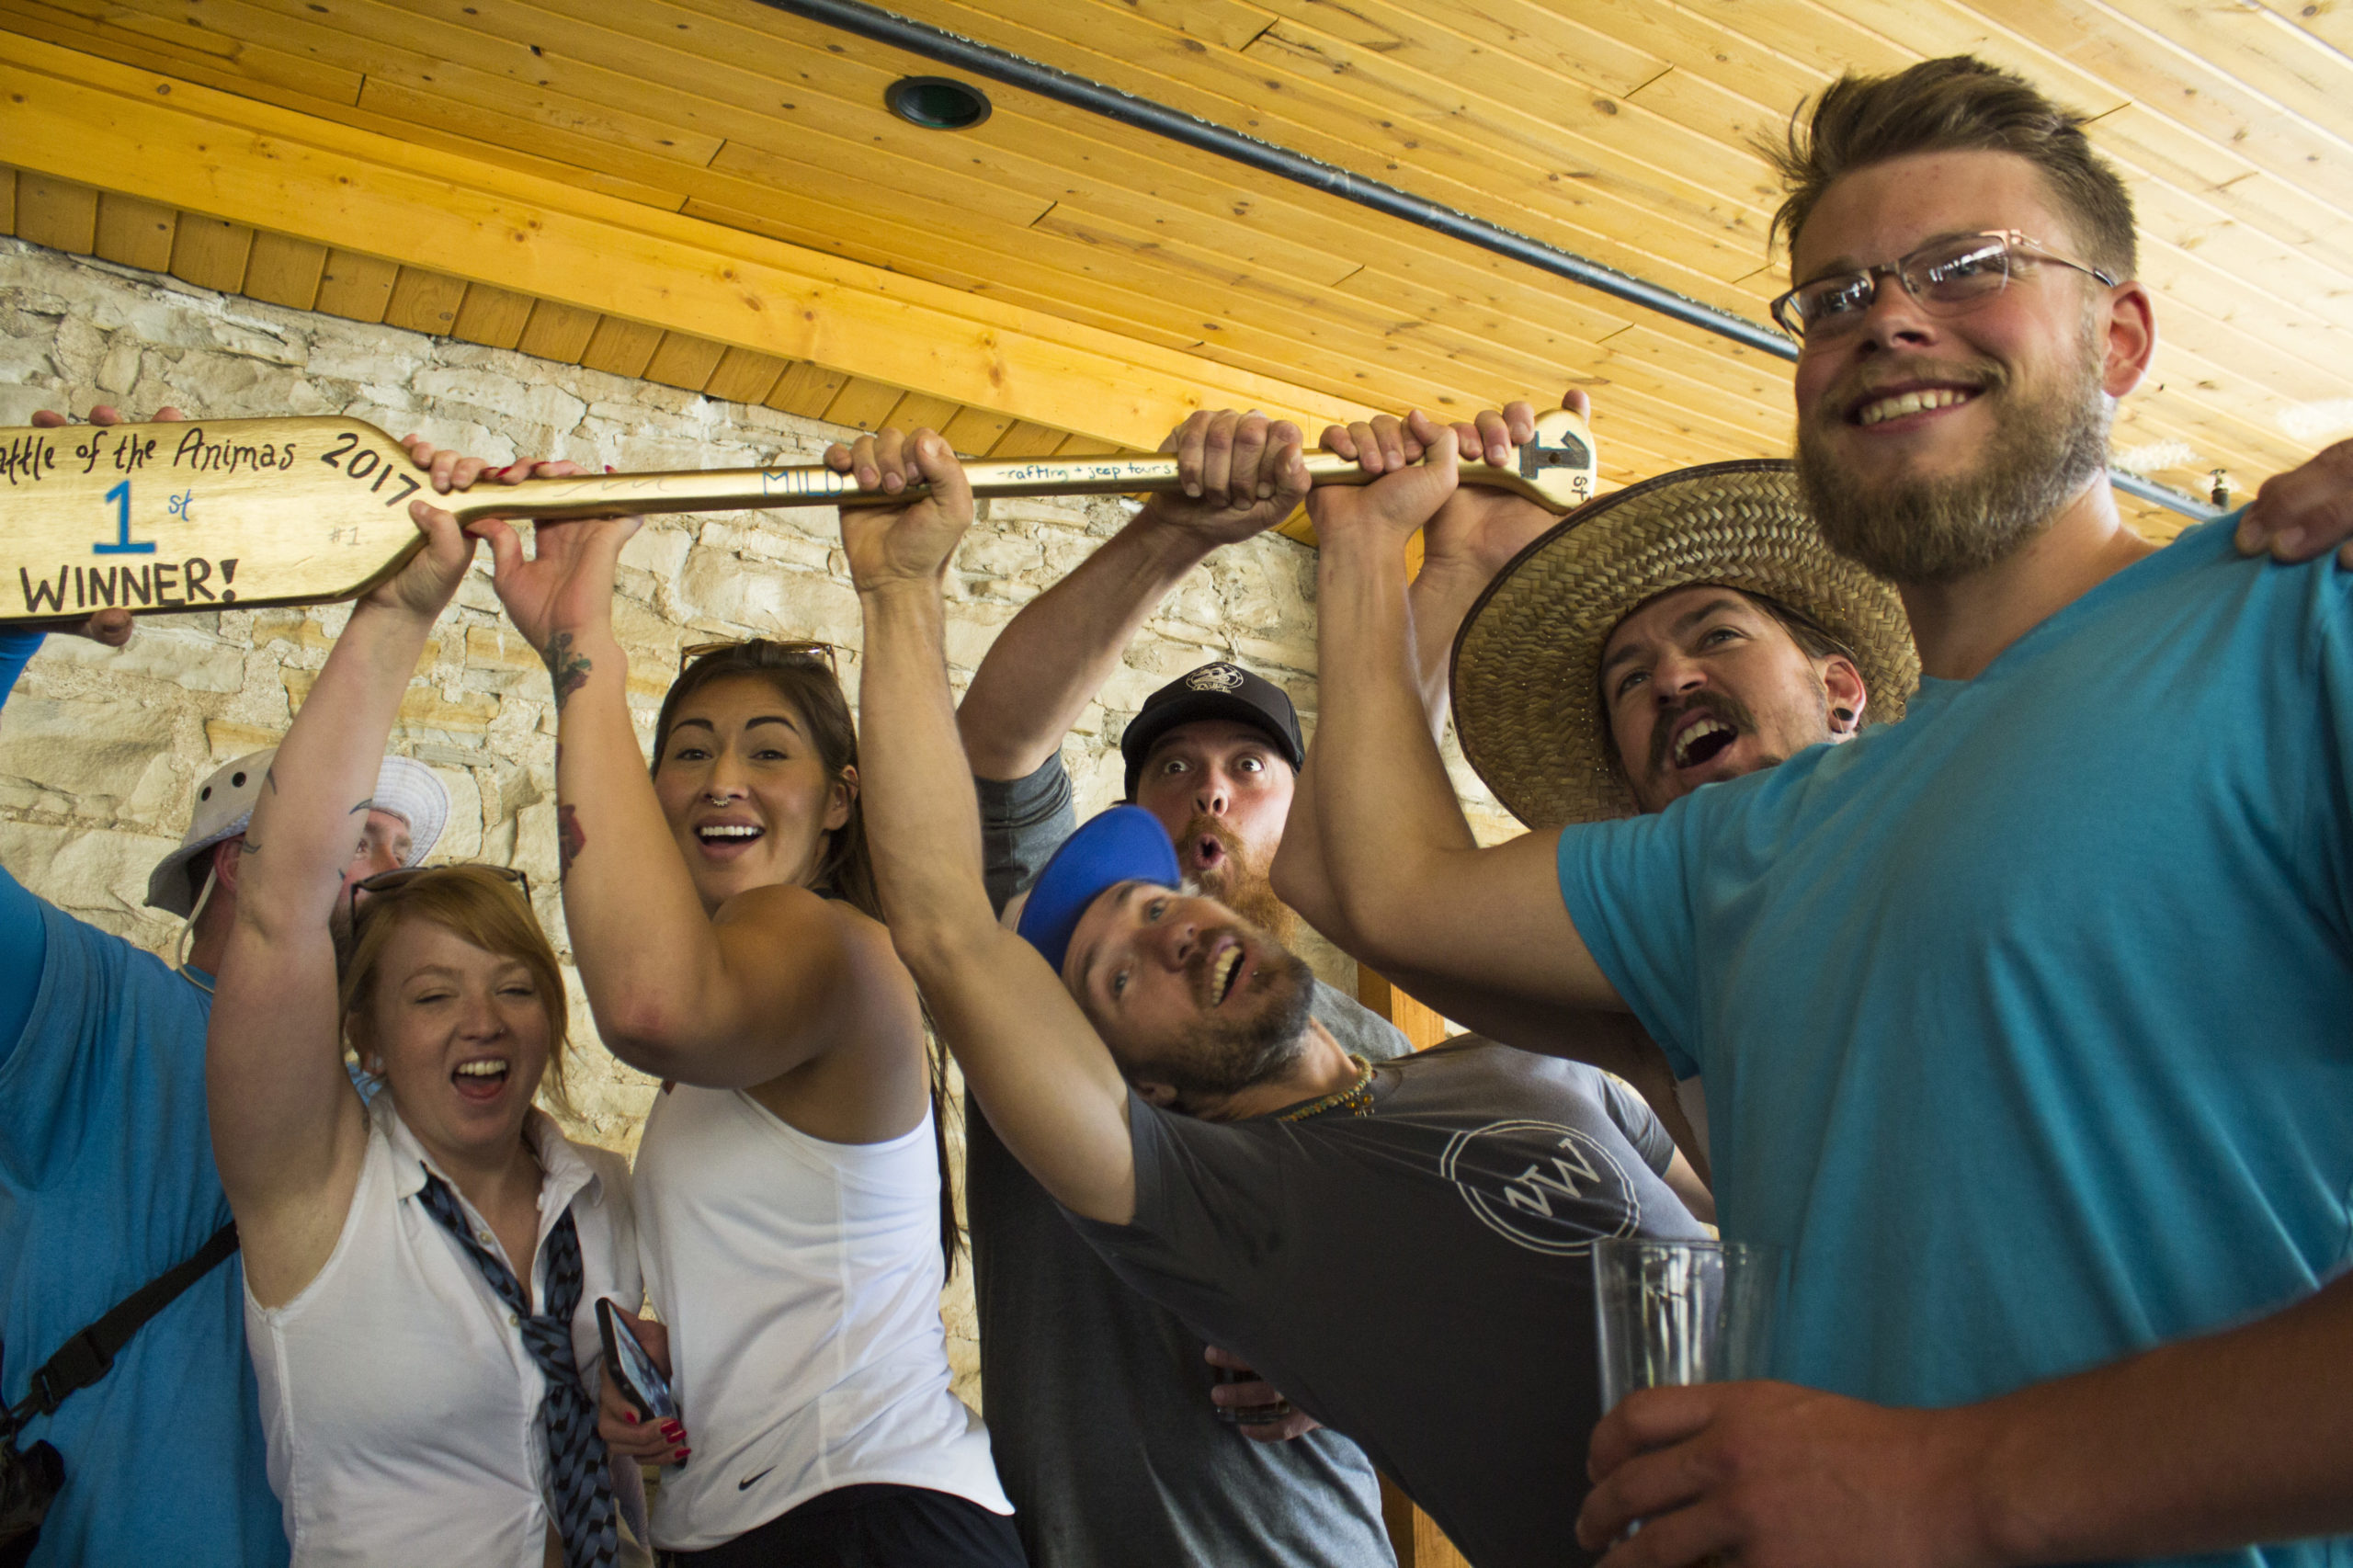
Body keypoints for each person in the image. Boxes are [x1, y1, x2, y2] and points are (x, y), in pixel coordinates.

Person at [1282, 55, 2353, 1568]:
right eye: (1834, 296)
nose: (1889, 318)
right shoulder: (1743, 850)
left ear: (2119, 339)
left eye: (1968, 267)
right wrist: (1363, 549)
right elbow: (1378, 888)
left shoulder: (2302, 620)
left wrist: (1946, 1485)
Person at [835, 427, 1711, 1568]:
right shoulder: (1213, 1189)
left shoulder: (1493, 1052)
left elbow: (1758, 1196)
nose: (1165, 926)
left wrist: (1435, 555)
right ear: (1132, 1077)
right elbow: (950, 918)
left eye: (1151, 909)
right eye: (1112, 970)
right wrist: (901, 586)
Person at [450, 449, 1020, 1567]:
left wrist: (585, 652)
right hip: (752, 1520)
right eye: (690, 752)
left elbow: (649, 1000)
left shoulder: (829, 938)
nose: (722, 778)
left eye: (770, 752)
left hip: (866, 1517)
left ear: (840, 799)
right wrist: (670, 1372)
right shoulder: (752, 1002)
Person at [882, 405, 1417, 1568]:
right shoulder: (1040, 964)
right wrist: (1172, 531)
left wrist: (1354, 1358)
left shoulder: (1383, 1052)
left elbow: (1489, 1295)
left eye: (1247, 768)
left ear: (1299, 811)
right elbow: (992, 752)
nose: (1209, 792)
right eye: (1173, 769)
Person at [0, 406, 445, 1568]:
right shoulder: (94, 1011)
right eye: (366, 837)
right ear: (245, 862)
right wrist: (12, 599)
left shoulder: (411, 1116)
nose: (397, 877)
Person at [205, 462, 642, 1566]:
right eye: (433, 994)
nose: (481, 1021)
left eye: (512, 984)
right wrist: (398, 611)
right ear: (365, 1037)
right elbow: (278, 912)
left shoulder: (613, 1199)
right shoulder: (317, 1190)